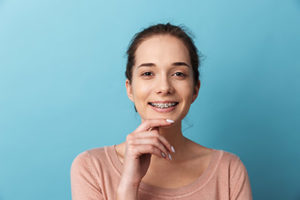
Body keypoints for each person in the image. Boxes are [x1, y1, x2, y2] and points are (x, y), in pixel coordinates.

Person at [70, 23, 253, 200]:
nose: (164, 88)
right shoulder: (92, 167)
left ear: (195, 89)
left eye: (178, 74)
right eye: (148, 74)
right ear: (130, 89)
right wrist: (128, 186)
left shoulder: (228, 171)